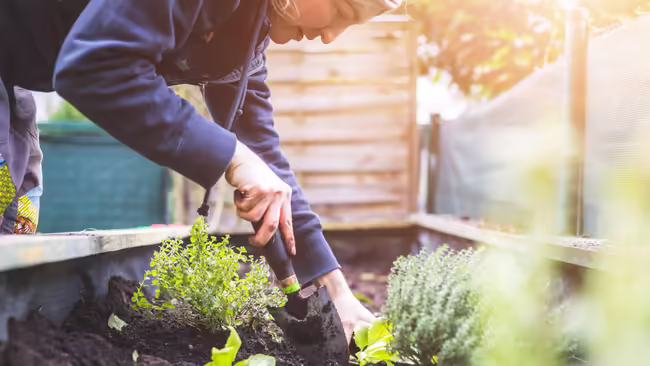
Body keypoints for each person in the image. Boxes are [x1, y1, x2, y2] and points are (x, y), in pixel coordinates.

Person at [0, 0, 400, 342]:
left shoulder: (245, 35)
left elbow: (268, 164)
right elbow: (93, 67)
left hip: (15, 74)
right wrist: (231, 156)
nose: (332, 36)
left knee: (14, 220)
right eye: (343, 10)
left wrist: (334, 288)